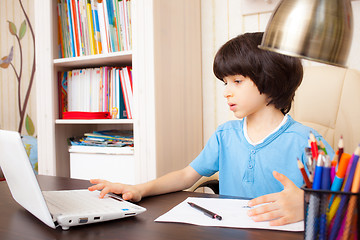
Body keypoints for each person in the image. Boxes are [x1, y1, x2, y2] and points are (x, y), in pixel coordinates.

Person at [89, 32, 334, 226]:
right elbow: (187, 175)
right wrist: (139, 189)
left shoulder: (308, 141)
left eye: (237, 82)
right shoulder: (225, 135)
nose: (227, 91)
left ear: (271, 79)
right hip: (230, 229)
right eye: (225, 83)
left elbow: (342, 199)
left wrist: (306, 203)